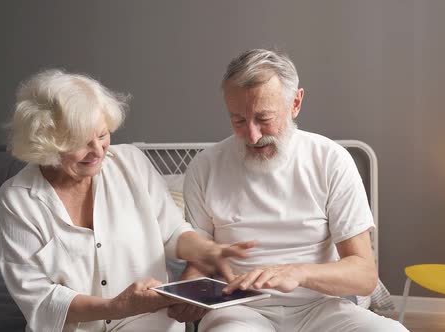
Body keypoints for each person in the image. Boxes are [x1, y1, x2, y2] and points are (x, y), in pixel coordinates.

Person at [168, 49, 408, 331]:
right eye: (239, 121)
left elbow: (364, 275)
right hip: (238, 310)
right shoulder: (205, 166)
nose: (253, 136)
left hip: (321, 307)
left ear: (295, 103)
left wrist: (298, 273)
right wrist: (186, 293)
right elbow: (202, 260)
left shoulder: (331, 160)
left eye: (264, 118)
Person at [0, 70, 254, 332]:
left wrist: (207, 251)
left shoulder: (132, 163)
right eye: (80, 143)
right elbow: (39, 297)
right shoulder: (19, 198)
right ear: (47, 142)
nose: (98, 151)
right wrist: (117, 306)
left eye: (102, 135)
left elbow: (173, 233)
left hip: (149, 322)